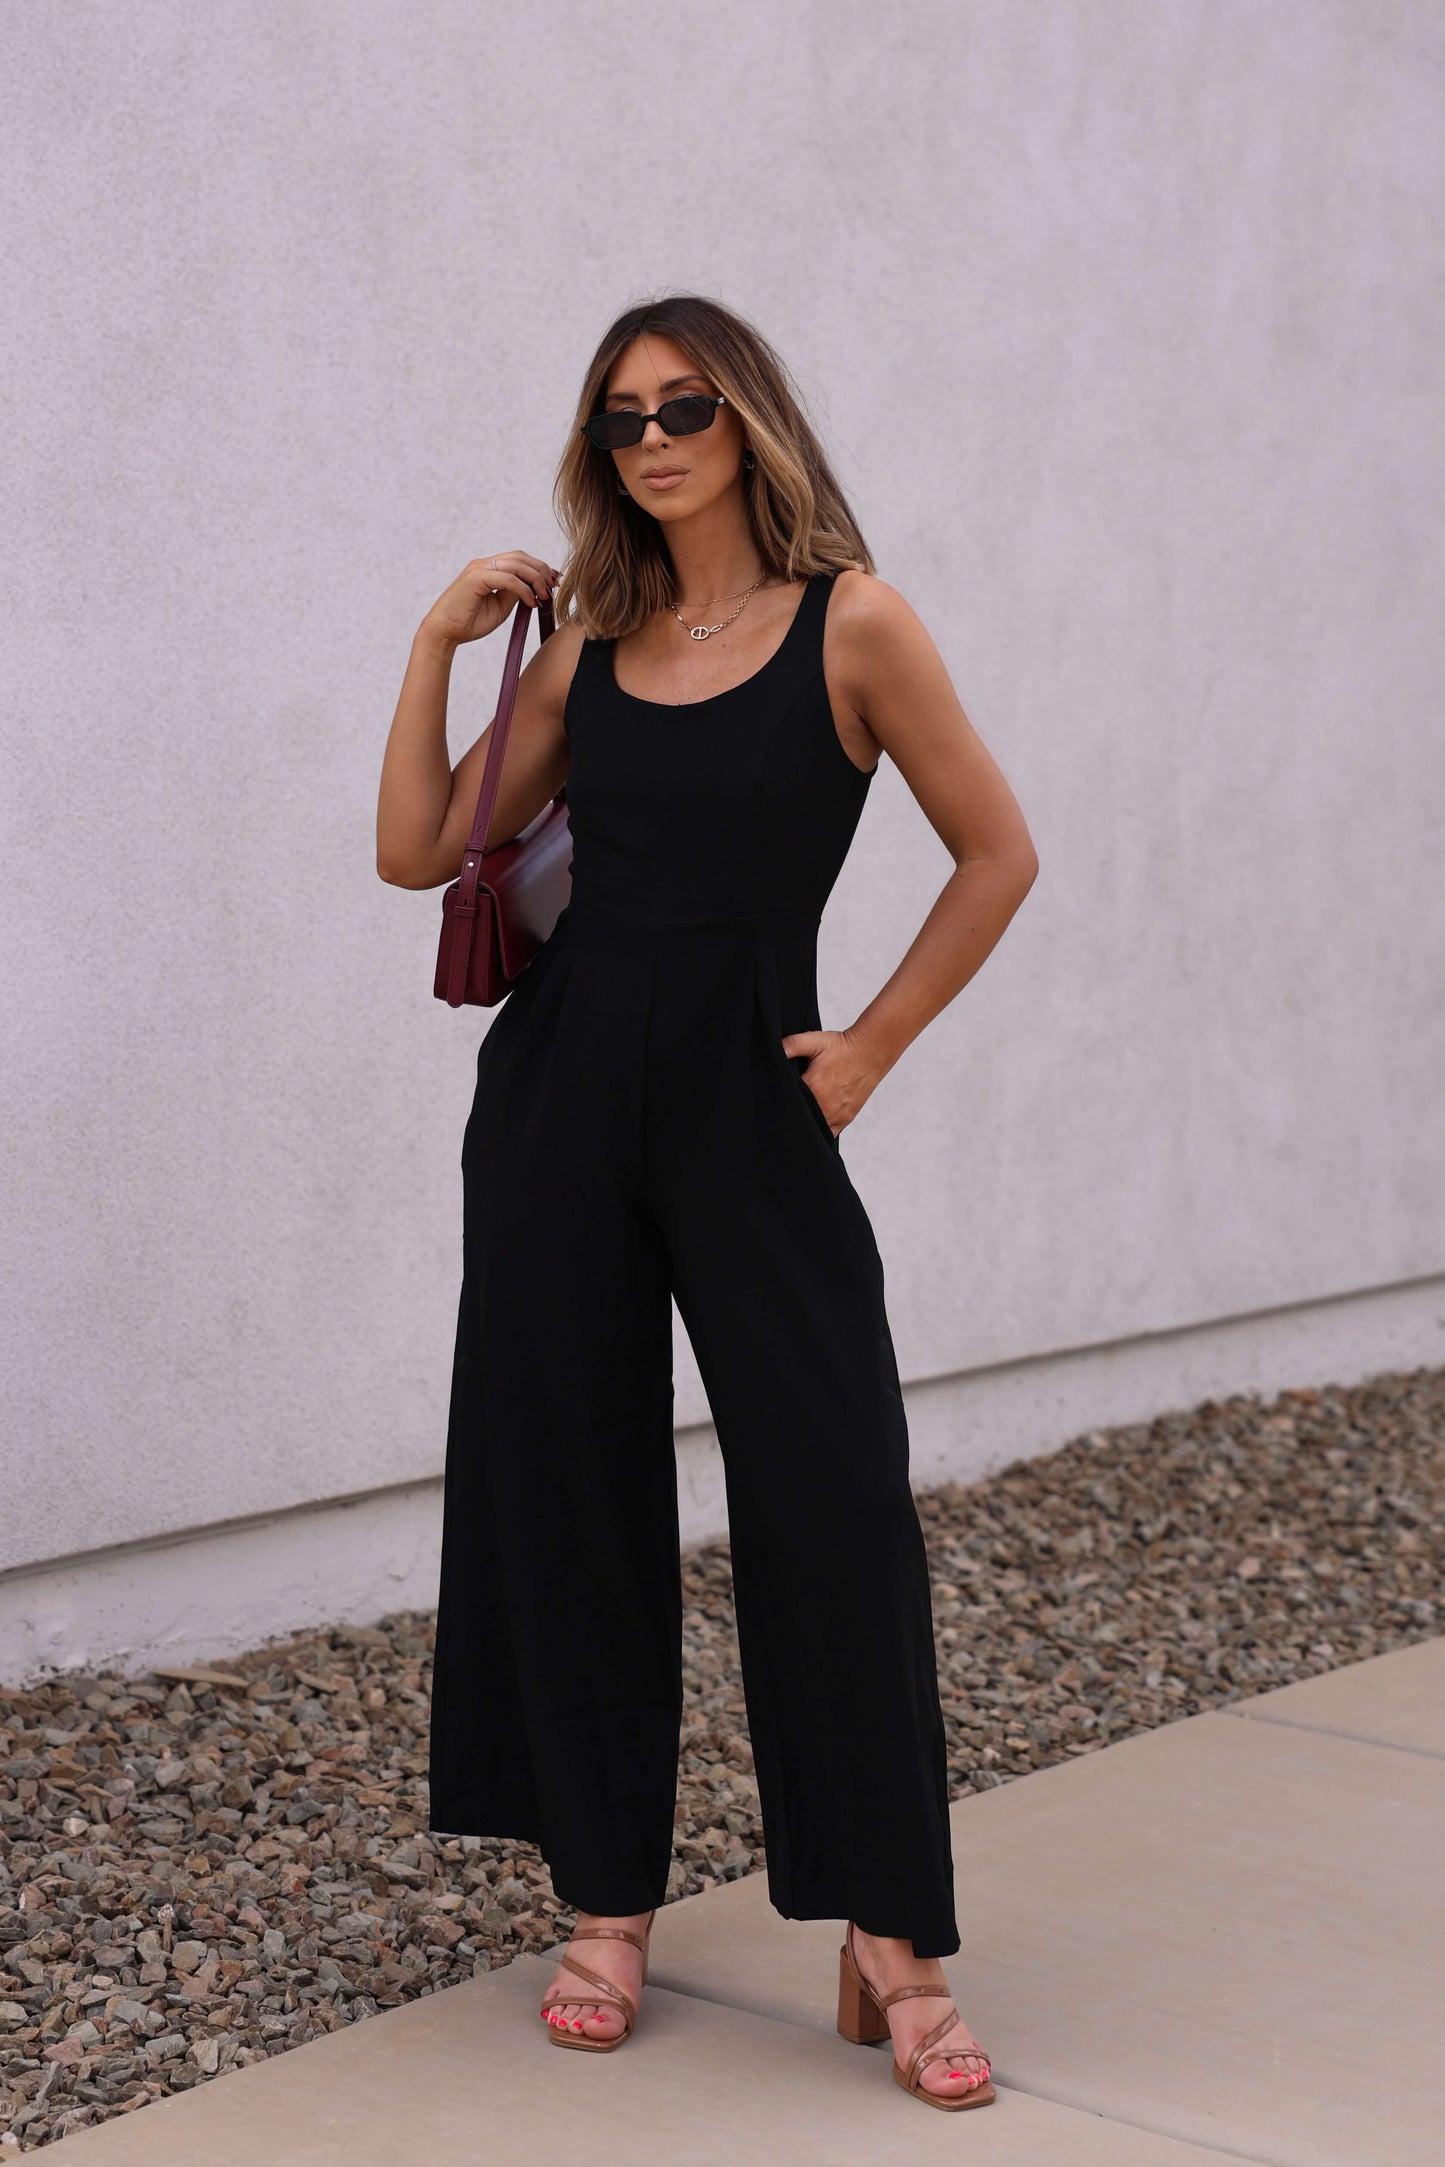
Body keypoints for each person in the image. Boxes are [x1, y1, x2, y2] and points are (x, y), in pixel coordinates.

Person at [376, 293, 1038, 2111]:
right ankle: (602, 1904)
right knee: (572, 1492)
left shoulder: (857, 625)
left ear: (746, 419)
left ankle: (890, 1935)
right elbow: (419, 849)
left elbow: (999, 852)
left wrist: (873, 1049)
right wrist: (438, 641)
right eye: (617, 421)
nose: (651, 439)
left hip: (755, 1111)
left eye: (683, 406)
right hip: (558, 1111)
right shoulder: (588, 651)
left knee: (830, 1496)